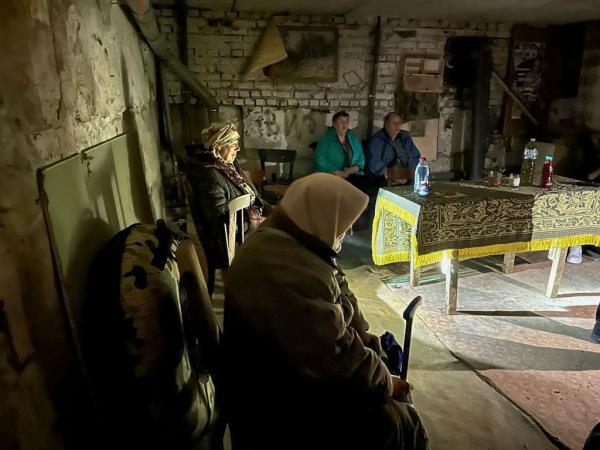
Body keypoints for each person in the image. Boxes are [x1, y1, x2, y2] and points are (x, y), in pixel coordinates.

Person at [222, 173, 429, 450]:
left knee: (376, 360)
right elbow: (336, 357)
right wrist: (386, 383)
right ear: (321, 216)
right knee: (395, 418)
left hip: (284, 373)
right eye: (344, 225)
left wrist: (361, 332)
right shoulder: (287, 268)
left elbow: (336, 283)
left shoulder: (291, 238)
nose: (348, 232)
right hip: (276, 402)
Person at [186, 122, 269, 293]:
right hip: (230, 239)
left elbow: (255, 196)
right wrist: (257, 219)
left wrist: (271, 210)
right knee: (280, 244)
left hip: (244, 228)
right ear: (218, 147)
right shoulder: (208, 175)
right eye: (233, 143)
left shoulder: (229, 166)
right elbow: (218, 220)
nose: (238, 148)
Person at [314, 110, 367, 189]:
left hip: (349, 173)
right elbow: (320, 158)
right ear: (334, 124)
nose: (344, 124)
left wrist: (354, 168)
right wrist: (335, 171)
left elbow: (361, 156)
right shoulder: (327, 138)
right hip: (330, 174)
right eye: (341, 121)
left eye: (346, 121)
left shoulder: (352, 137)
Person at [366, 112, 421, 186]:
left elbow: (415, 157)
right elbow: (374, 165)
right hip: (385, 177)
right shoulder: (377, 140)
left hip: (406, 174)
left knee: (421, 179)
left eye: (399, 123)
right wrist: (394, 175)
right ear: (386, 124)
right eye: (394, 123)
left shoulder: (405, 137)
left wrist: (407, 175)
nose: (398, 126)